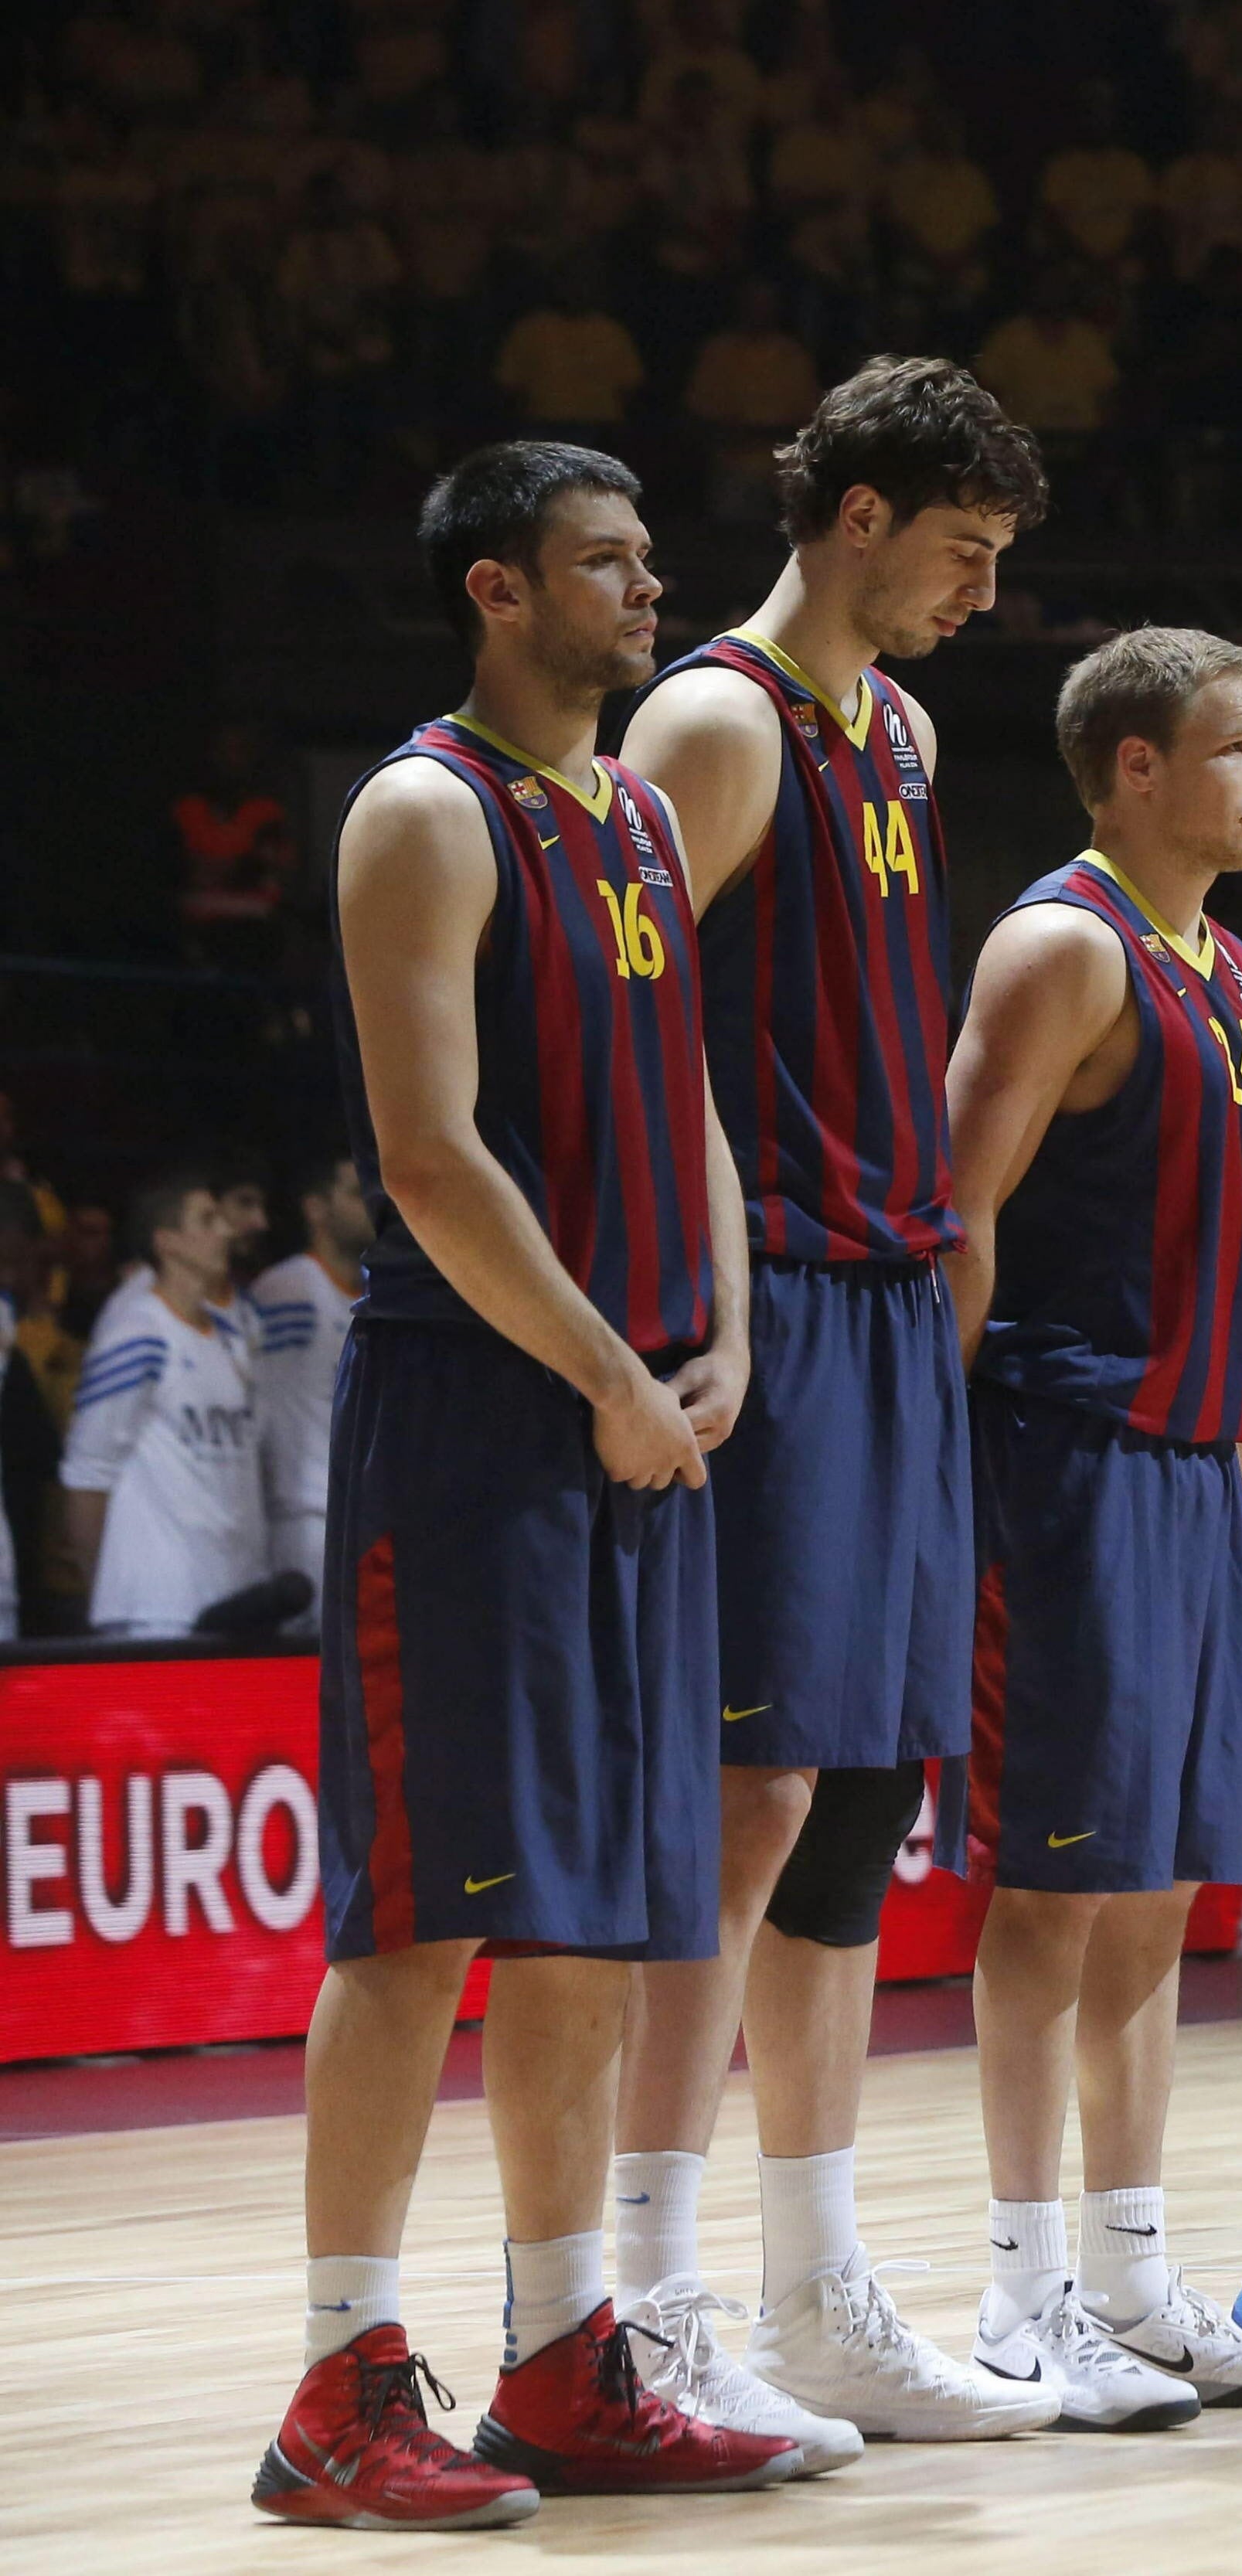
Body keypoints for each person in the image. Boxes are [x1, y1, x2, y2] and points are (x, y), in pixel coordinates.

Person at [260, 442, 802, 2530]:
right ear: (499, 591)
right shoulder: (421, 812)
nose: (648, 588)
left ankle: (564, 2347)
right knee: (422, 1917)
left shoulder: (648, 813)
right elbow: (427, 1157)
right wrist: (601, 1372)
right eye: (605, 561)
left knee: (592, 1916)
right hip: (482, 1428)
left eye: (650, 555)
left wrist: (725, 1342)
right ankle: (334, 2373)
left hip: (646, 1416)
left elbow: (695, 1115)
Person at [606, 354, 1060, 2445]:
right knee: (746, 1796)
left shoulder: (905, 724)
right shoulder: (712, 717)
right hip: (769, 1291)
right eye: (962, 549)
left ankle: (814, 2283)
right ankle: (643, 2285)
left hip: (889, 1296)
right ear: (857, 513)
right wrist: (709, 1293)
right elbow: (625, 1035)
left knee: (861, 1800)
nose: (980, 592)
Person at [942, 628, 1242, 2426]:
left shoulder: (1231, 963)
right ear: (1136, 766)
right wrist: (936, 1470)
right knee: (1053, 1891)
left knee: (1159, 1892)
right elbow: (959, 1209)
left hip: (1187, 1473)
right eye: (1239, 748)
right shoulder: (1064, 947)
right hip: (1068, 1465)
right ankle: (1019, 2300)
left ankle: (1135, 2276)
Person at [61, 1172, 267, 1637]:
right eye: (207, 1219)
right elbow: (88, 1470)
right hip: (159, 1603)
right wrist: (102, 1588)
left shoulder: (233, 1337)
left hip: (237, 1594)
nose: (227, 1231)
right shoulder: (137, 1335)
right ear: (167, 1242)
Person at [246, 1155, 372, 1601]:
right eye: (357, 1193)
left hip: (360, 1512)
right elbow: (261, 1403)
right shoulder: (290, 1291)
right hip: (307, 1514)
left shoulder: (373, 1297)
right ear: (315, 1208)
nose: (374, 1203)